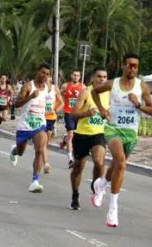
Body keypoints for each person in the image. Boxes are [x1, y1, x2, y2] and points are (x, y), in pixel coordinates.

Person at [92, 53, 152, 227]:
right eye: (130, 65)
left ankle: (101, 184)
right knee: (120, 163)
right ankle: (113, 209)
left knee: (115, 165)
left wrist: (137, 104)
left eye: (136, 66)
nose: (133, 69)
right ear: (123, 65)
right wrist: (101, 110)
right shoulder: (113, 84)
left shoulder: (141, 86)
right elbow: (94, 91)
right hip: (113, 129)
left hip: (131, 132)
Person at [69, 67, 109, 210]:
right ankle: (75, 193)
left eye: (104, 77)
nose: (102, 79)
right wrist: (86, 113)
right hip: (81, 134)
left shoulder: (109, 94)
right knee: (78, 167)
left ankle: (95, 184)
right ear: (93, 78)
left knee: (99, 161)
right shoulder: (86, 92)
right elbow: (73, 113)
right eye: (99, 76)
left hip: (99, 133)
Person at [9, 63, 51, 193]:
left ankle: (35, 181)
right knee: (21, 151)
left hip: (39, 123)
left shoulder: (47, 87)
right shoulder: (28, 86)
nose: (45, 76)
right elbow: (16, 104)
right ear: (37, 72)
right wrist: (30, 97)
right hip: (25, 124)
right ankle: (14, 150)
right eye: (43, 72)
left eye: (48, 74)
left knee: (39, 150)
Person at [60, 71, 85, 168]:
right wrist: (62, 102)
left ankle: (65, 140)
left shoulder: (83, 87)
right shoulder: (65, 86)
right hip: (68, 113)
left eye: (78, 75)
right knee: (71, 135)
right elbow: (58, 95)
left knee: (77, 135)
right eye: (74, 75)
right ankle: (70, 158)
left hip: (78, 113)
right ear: (71, 76)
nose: (76, 77)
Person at [43, 76, 64, 174]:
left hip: (51, 117)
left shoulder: (55, 88)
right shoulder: (40, 87)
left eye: (48, 76)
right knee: (42, 142)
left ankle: (42, 156)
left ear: (51, 78)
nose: (46, 78)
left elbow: (61, 103)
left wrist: (55, 110)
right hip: (40, 117)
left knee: (46, 142)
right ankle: (46, 163)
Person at [0, 73, 14, 139]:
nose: (3, 79)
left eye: (4, 78)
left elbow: (12, 93)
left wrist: (11, 99)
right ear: (0, 79)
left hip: (5, 104)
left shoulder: (8, 86)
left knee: (5, 119)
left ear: (6, 79)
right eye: (2, 78)